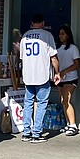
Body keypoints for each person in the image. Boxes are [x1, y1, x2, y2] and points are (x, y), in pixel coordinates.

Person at [20, 13, 61, 143]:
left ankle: (26, 132)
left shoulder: (25, 36)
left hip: (28, 75)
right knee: (42, 103)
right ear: (43, 23)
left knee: (28, 103)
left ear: (32, 23)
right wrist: (57, 72)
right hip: (41, 74)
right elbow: (53, 57)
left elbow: (20, 57)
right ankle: (36, 133)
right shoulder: (47, 35)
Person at [56, 25, 80, 136]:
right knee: (62, 101)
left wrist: (65, 71)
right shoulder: (58, 49)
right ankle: (68, 123)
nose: (60, 36)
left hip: (71, 78)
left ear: (68, 35)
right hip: (60, 78)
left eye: (63, 33)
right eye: (60, 33)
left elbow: (77, 64)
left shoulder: (73, 48)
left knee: (66, 100)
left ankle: (73, 125)